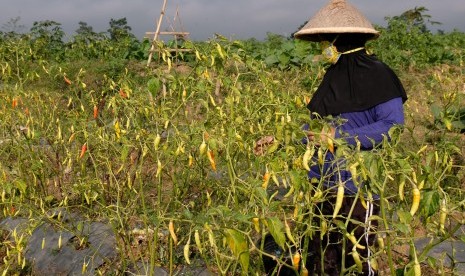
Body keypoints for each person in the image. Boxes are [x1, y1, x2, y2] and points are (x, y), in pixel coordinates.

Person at [259, 0, 407, 275]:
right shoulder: (333, 77)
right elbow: (316, 133)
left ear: (340, 40)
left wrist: (340, 136)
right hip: (320, 183)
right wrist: (280, 140)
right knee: (320, 258)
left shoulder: (380, 75)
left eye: (327, 41)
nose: (324, 47)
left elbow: (391, 126)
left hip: (357, 185)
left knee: (356, 257)